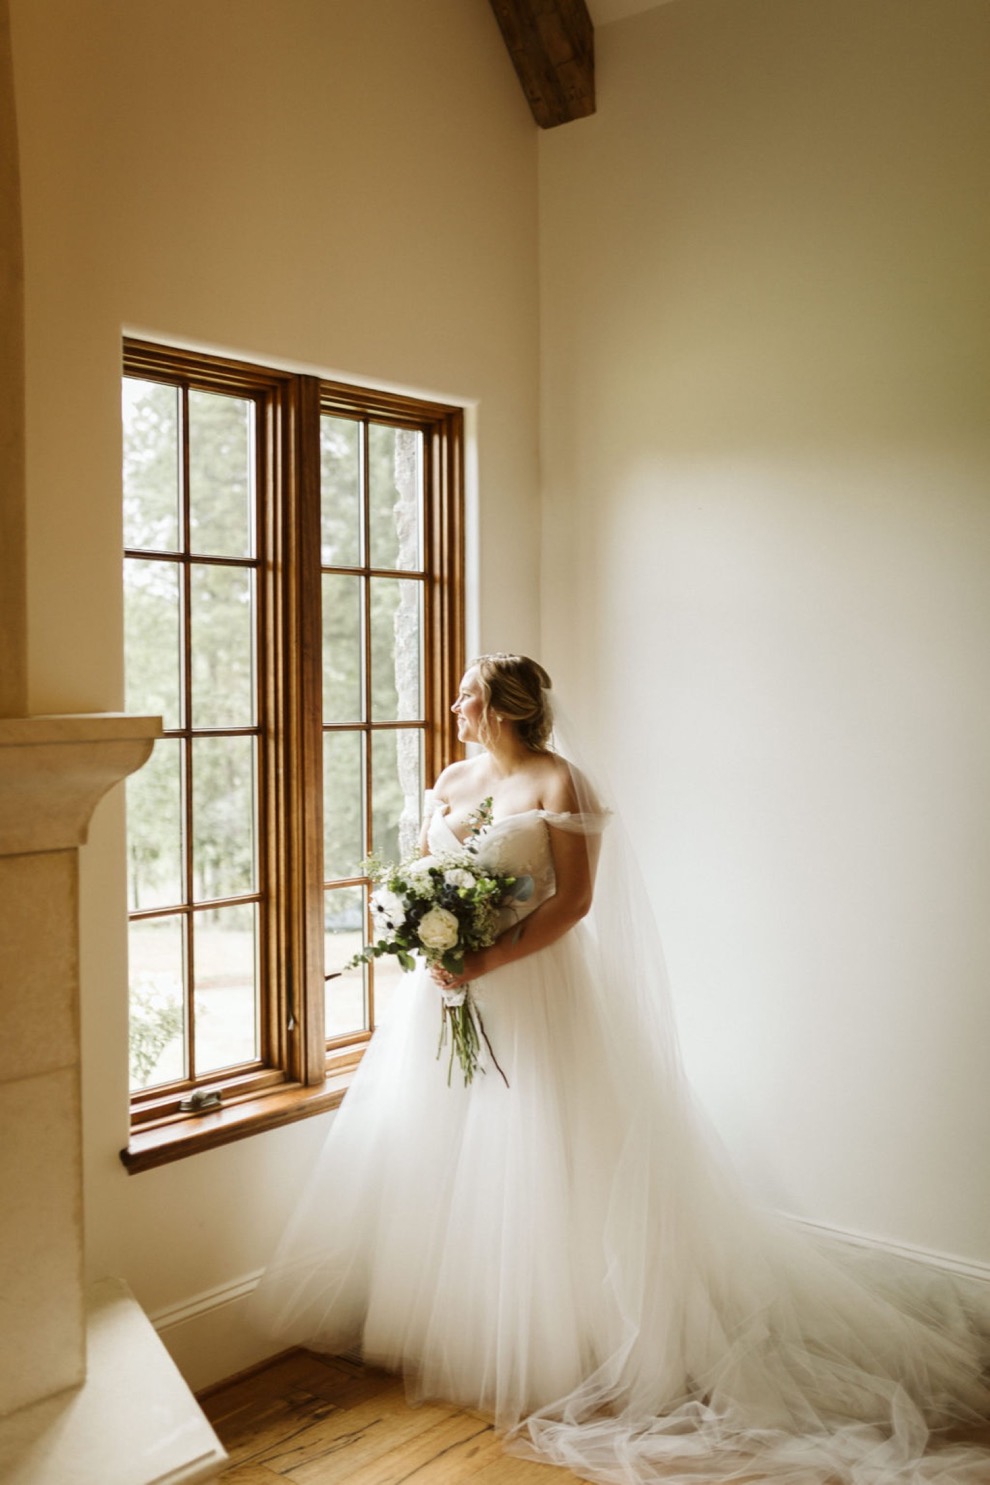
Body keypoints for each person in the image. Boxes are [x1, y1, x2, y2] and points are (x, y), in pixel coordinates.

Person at [253, 654, 990, 1484]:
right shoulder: (451, 776)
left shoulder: (561, 782)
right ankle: (452, 1321)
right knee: (442, 1142)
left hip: (532, 984)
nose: (453, 703)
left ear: (501, 706)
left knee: (542, 1142)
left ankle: (564, 1339)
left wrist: (489, 957)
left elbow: (572, 901)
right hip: (448, 990)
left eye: (466, 693)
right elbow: (427, 871)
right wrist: (431, 932)